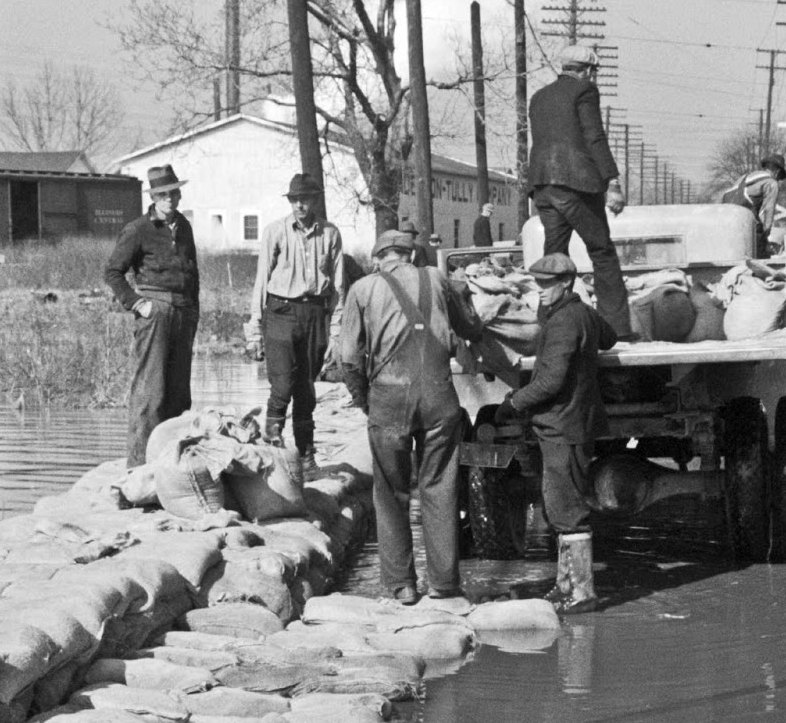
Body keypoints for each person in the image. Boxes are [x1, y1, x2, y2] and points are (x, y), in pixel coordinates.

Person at [340, 228, 484, 605]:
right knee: (440, 487)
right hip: (440, 396)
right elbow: (471, 328)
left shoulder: (363, 289)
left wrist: (364, 401)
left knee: (390, 493)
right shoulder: (437, 278)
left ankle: (402, 585)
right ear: (411, 256)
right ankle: (445, 583)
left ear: (379, 258)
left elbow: (348, 359)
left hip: (388, 396)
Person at [495, 252, 617, 614]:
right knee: (558, 503)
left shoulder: (565, 321)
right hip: (572, 422)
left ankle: (582, 592)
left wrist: (514, 402)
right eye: (538, 284)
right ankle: (565, 585)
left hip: (563, 424)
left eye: (547, 285)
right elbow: (608, 338)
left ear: (565, 283)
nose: (541, 291)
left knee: (567, 508)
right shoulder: (581, 313)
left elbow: (550, 381)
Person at [245, 173, 363, 466]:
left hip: (314, 314)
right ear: (290, 202)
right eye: (295, 200)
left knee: (305, 389)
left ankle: (306, 455)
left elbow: (338, 289)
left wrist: (335, 332)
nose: (300, 205)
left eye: (305, 199)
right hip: (280, 312)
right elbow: (261, 281)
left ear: (313, 201)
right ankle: (274, 447)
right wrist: (254, 331)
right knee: (282, 384)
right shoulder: (275, 231)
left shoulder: (331, 234)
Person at [527, 43, 632, 338]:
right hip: (575, 184)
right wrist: (612, 181)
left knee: (554, 256)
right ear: (587, 71)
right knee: (602, 252)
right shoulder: (584, 91)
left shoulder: (538, 96)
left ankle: (549, 328)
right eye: (593, 72)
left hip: (542, 185)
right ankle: (616, 329)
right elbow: (594, 135)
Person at [104, 164, 200, 467]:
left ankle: (170, 464)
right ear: (153, 197)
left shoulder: (184, 226)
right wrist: (136, 303)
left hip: (184, 312)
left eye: (173, 193)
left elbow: (192, 272)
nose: (169, 199)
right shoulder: (137, 230)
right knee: (151, 390)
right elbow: (113, 272)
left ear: (180, 194)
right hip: (154, 310)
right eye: (162, 195)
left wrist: (194, 311)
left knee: (179, 392)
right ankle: (140, 466)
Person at [724, 152, 786, 257]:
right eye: (779, 177)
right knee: (758, 240)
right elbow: (768, 210)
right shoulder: (771, 182)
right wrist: (765, 236)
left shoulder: (746, 177)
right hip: (742, 212)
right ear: (777, 172)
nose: (778, 180)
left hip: (725, 210)